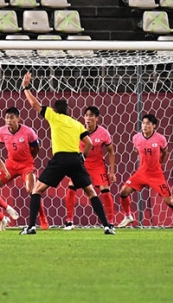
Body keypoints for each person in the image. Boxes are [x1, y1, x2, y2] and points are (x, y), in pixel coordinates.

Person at [19, 72, 115, 235]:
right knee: (91, 192)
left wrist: (26, 87)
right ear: (68, 111)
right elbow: (89, 143)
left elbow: (34, 104)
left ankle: (31, 227)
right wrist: (82, 157)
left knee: (37, 190)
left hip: (60, 158)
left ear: (55, 110)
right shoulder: (76, 123)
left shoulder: (54, 117)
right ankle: (107, 226)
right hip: (75, 159)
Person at [0, 107, 48, 230]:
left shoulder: (28, 132)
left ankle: (43, 219)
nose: (9, 120)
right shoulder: (2, 131)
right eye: (7, 118)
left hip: (26, 164)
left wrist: (29, 159)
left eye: (12, 117)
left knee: (33, 190)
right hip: (10, 164)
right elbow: (5, 144)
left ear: (18, 118)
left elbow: (36, 148)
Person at [117, 114, 173, 230]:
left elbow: (165, 151)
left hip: (156, 174)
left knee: (169, 200)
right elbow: (137, 151)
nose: (145, 125)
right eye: (143, 123)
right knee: (123, 191)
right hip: (141, 173)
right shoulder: (136, 138)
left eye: (148, 123)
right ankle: (128, 216)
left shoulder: (160, 138)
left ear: (154, 125)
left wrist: (161, 161)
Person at [64, 107, 116, 230]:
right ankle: (69, 221)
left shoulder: (104, 133)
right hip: (81, 165)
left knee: (105, 191)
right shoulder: (78, 130)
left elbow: (111, 152)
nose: (88, 118)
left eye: (91, 115)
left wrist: (112, 172)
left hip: (98, 166)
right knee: (71, 188)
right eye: (86, 115)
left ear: (97, 118)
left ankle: (111, 222)